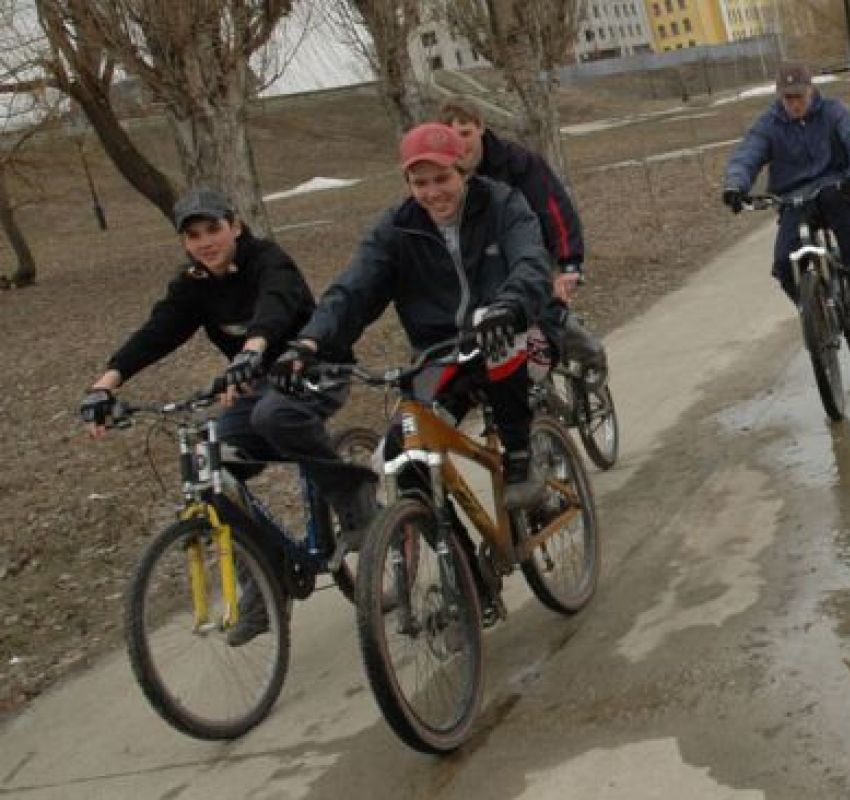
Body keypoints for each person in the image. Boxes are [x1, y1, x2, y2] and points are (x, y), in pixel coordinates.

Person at [78, 187, 372, 645]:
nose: (205, 242)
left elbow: (275, 308)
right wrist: (106, 384)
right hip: (255, 384)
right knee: (208, 459)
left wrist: (252, 351)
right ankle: (265, 573)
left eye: (213, 229)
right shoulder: (193, 285)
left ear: (235, 225)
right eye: (192, 235)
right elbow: (157, 332)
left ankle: (353, 494)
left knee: (276, 416)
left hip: (315, 371)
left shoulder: (269, 260)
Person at [267, 122, 552, 513]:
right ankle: (461, 562)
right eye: (420, 183)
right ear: (407, 183)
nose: (433, 193)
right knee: (402, 460)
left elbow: (531, 262)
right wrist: (309, 343)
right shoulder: (397, 229)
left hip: (510, 338)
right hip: (439, 357)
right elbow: (353, 289)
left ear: (463, 171)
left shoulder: (503, 205)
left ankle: (519, 455)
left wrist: (508, 306)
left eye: (442, 178)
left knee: (499, 339)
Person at [436, 97, 608, 384]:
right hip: (489, 259)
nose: (461, 144)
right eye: (452, 137)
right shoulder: (447, 177)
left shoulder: (517, 162)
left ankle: (586, 348)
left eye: (465, 133)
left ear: (480, 127)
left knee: (541, 305)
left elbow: (554, 209)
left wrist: (568, 263)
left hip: (535, 247)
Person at [721, 62, 850, 307]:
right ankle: (813, 311)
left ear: (811, 91)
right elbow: (747, 155)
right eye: (788, 98)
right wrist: (735, 186)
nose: (795, 104)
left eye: (799, 96)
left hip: (833, 185)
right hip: (793, 197)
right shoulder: (769, 124)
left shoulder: (832, 111)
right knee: (784, 262)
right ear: (779, 97)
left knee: (843, 210)